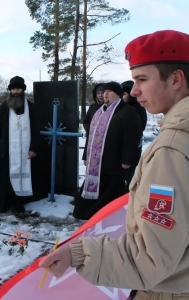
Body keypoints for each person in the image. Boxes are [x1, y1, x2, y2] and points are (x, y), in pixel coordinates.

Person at [40, 30, 189, 300]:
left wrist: (78, 254)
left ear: (176, 79)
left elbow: (151, 257)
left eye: (142, 79)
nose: (134, 91)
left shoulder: (171, 152)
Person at [0, 76, 46, 213]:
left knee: (23, 177)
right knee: (4, 177)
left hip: (25, 152)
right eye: (13, 89)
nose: (16, 91)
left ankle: (19, 203)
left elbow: (36, 130)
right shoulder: (4, 106)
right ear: (10, 91)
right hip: (8, 150)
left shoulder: (31, 107)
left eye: (18, 88)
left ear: (23, 90)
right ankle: (4, 202)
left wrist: (34, 148)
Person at [73, 81, 142, 220]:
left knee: (111, 190)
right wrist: (86, 154)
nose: (104, 94)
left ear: (118, 94)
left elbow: (132, 137)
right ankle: (89, 213)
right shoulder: (99, 111)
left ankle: (107, 216)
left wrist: (127, 160)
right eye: (104, 92)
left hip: (115, 162)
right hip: (96, 163)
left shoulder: (127, 112)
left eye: (108, 91)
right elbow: (91, 135)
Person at [122, 80, 148, 188]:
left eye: (124, 94)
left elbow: (140, 127)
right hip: (122, 145)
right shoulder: (121, 108)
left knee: (131, 170)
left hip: (133, 145)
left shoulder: (138, 108)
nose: (121, 97)